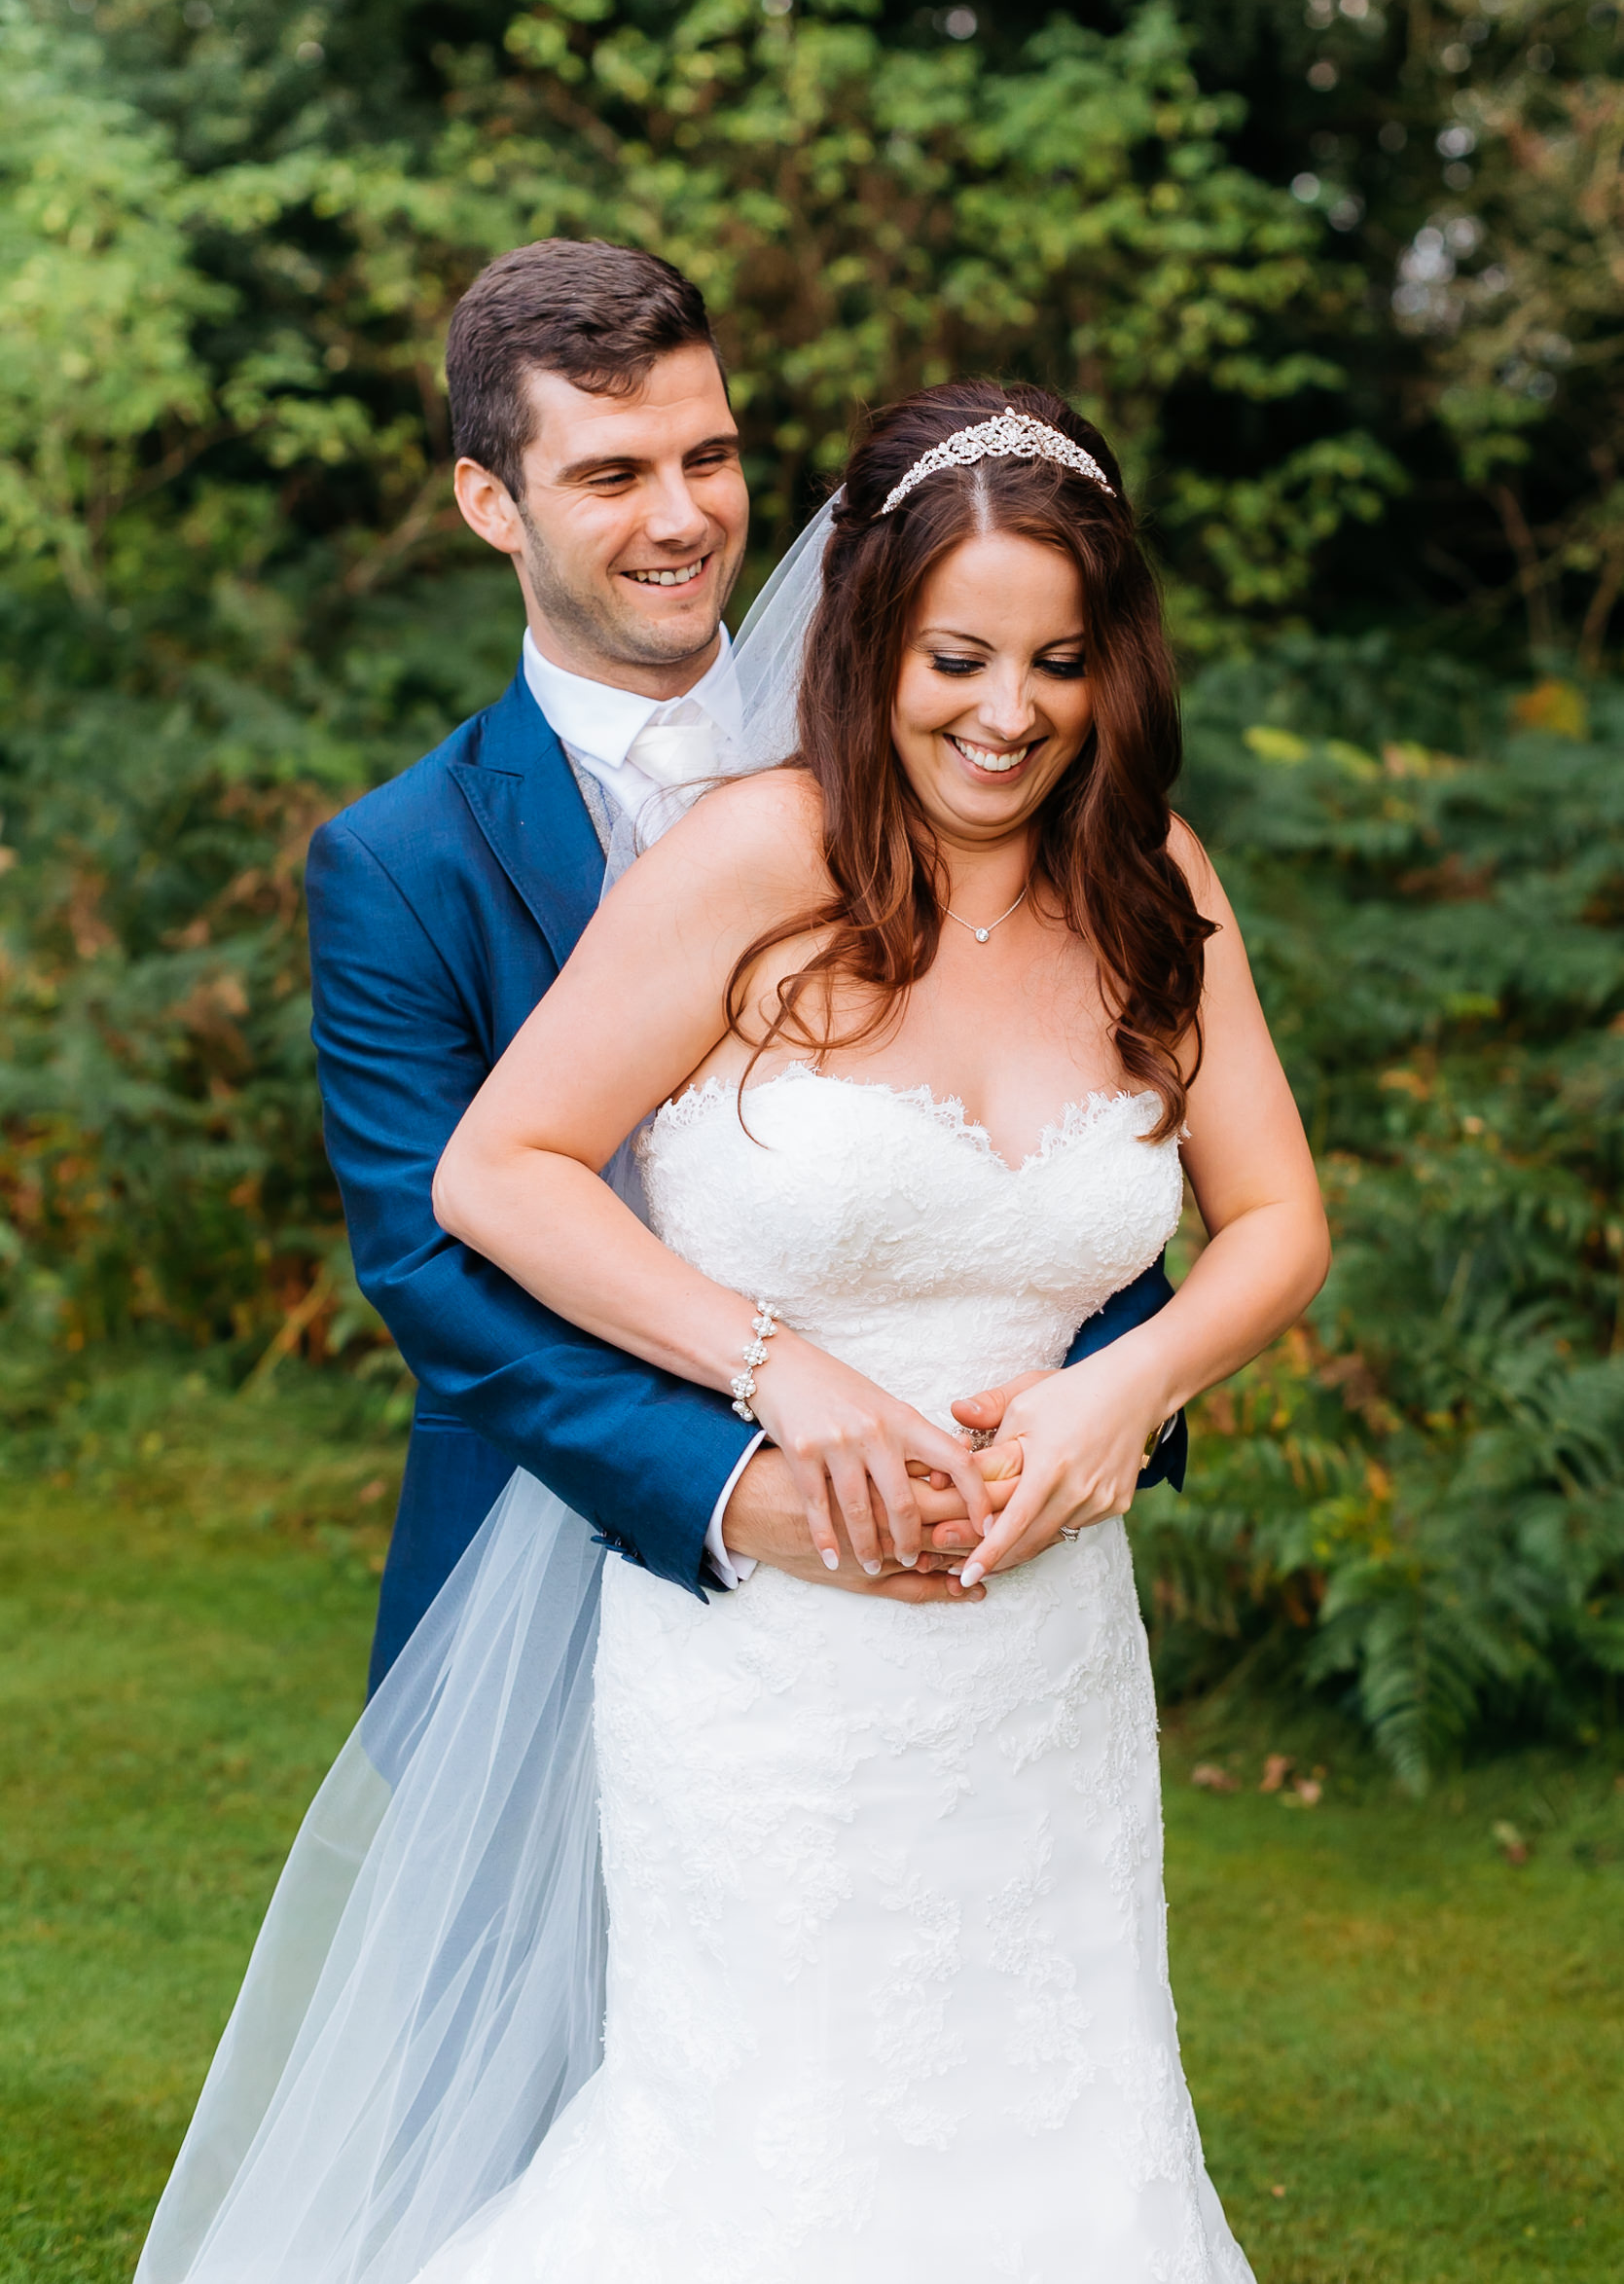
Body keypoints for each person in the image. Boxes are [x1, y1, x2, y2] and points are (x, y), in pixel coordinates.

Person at [136, 372, 1326, 2283]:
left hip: (1042, 1660)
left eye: (1057, 659)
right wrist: (780, 1376)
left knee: (1064, 2129)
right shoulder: (758, 857)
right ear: (871, 639)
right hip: (772, 1665)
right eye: (956, 655)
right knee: (766, 2159)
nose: (1005, 711)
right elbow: (498, 1171)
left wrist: (1133, 1374)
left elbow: (1276, 1218)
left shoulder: (1151, 884)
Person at [299, 239, 1183, 1695]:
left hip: (958, 1533)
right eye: (610, 476)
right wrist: (730, 1484)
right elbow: (429, 1252)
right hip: (557, 1529)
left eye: (706, 457)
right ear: (488, 502)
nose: (682, 518)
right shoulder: (402, 861)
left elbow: (1065, 1117)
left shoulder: (944, 738)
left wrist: (1110, 1390)